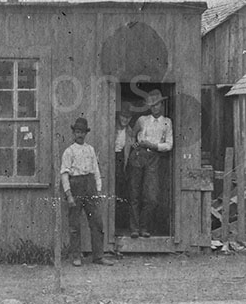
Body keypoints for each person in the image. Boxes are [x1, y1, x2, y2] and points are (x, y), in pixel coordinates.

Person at [61, 117, 114, 266]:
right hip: (75, 185)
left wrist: (97, 190)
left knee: (96, 222)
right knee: (74, 224)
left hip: (90, 186)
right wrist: (69, 194)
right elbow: (64, 174)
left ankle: (98, 256)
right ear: (73, 133)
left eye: (83, 132)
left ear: (86, 134)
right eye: (77, 132)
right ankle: (76, 256)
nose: (80, 135)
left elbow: (96, 171)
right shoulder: (68, 152)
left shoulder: (90, 150)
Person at [126, 89, 173, 238]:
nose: (156, 108)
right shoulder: (142, 120)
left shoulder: (167, 122)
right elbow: (132, 134)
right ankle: (134, 228)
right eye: (153, 105)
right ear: (149, 107)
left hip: (154, 157)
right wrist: (134, 144)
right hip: (139, 155)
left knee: (151, 197)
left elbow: (169, 145)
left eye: (158, 104)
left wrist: (154, 146)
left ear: (162, 104)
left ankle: (144, 227)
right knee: (134, 192)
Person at [114, 102, 135, 230]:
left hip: (122, 160)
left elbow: (130, 147)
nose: (124, 119)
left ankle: (120, 224)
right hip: (112, 157)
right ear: (119, 116)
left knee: (121, 191)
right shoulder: (112, 127)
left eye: (127, 117)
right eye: (123, 116)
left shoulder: (130, 132)